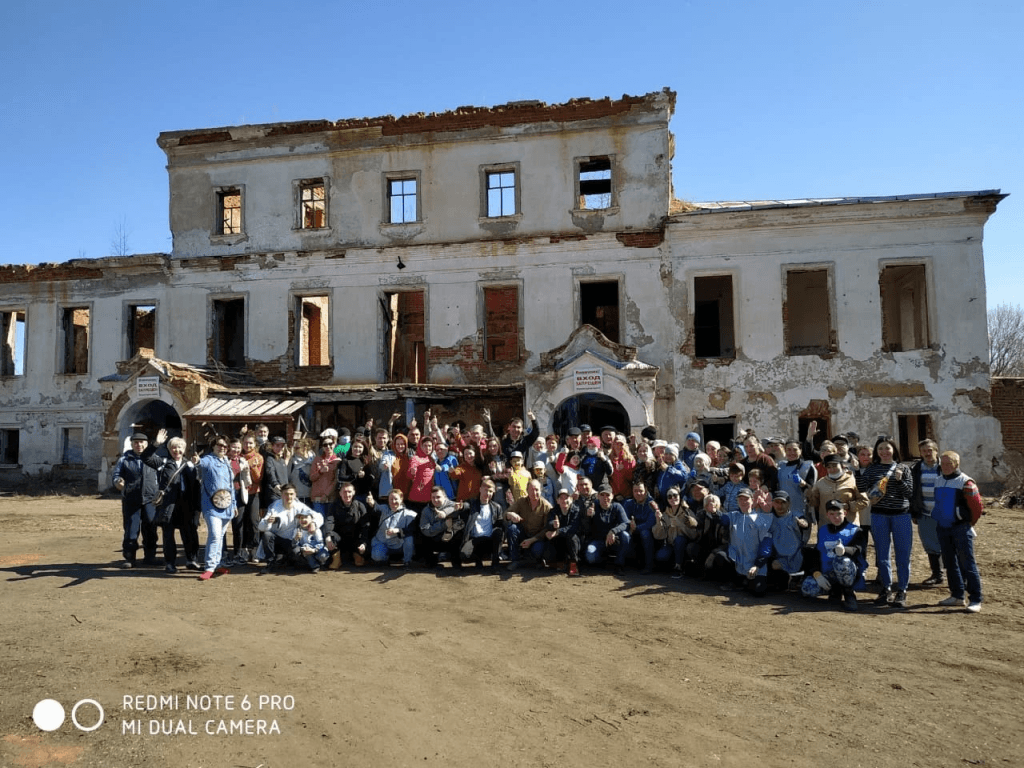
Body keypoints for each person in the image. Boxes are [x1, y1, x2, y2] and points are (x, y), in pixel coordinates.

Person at [856, 437, 914, 608]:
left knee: (903, 554)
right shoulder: (872, 469)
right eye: (880, 448)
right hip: (879, 515)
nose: (884, 452)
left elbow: (909, 492)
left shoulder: (903, 468)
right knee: (882, 555)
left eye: (887, 448)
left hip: (901, 516)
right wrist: (857, 470)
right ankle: (886, 588)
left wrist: (899, 480)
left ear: (893, 450)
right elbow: (862, 490)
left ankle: (902, 589)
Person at [933, 451, 985, 613]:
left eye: (949, 463)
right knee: (950, 563)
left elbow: (977, 508)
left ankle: (975, 599)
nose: (945, 466)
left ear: (956, 464)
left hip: (961, 528)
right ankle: (957, 595)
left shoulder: (966, 482)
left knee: (967, 564)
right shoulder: (938, 480)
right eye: (943, 463)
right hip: (943, 527)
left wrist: (967, 523)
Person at [143, 431, 199, 573]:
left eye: (180, 447)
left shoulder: (190, 465)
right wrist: (156, 444)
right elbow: (145, 457)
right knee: (168, 536)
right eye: (174, 447)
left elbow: (197, 485)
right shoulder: (163, 462)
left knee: (190, 534)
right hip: (168, 505)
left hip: (186, 505)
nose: (177, 450)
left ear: (184, 449)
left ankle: (192, 560)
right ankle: (170, 563)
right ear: (169, 449)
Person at [705, 488, 773, 596]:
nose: (743, 502)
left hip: (754, 564)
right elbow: (722, 519)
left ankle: (751, 581)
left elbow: (766, 546)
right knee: (720, 557)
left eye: (746, 499)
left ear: (752, 500)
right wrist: (714, 511)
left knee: (757, 591)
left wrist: (757, 565)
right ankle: (733, 581)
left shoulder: (762, 519)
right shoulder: (733, 515)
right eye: (740, 499)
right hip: (737, 561)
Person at [806, 499, 869, 612]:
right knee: (807, 587)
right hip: (828, 573)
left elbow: (858, 549)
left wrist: (845, 550)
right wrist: (816, 573)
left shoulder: (855, 530)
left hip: (848, 573)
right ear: (827, 515)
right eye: (831, 514)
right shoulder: (823, 530)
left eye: (839, 513)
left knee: (842, 561)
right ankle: (834, 590)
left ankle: (848, 593)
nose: (835, 517)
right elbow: (817, 552)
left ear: (844, 513)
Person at [112, 431, 161, 569]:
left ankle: (150, 557)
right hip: (131, 500)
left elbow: (163, 475)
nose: (139, 445)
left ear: (146, 444)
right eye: (136, 442)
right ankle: (129, 558)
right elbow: (116, 475)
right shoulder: (125, 459)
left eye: (142, 442)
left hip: (151, 500)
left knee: (151, 529)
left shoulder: (154, 458)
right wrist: (118, 482)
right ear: (132, 444)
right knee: (131, 530)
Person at [196, 436, 237, 580]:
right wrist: (196, 461)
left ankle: (217, 563)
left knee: (220, 536)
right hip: (211, 506)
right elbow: (200, 463)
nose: (222, 448)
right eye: (219, 445)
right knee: (214, 535)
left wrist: (234, 504)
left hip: (227, 506)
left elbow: (231, 487)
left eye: (225, 446)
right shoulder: (208, 460)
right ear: (213, 446)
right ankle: (210, 567)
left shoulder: (227, 462)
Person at [258, 484, 321, 572]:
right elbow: (260, 527)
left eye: (291, 494)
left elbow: (318, 516)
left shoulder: (300, 506)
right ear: (281, 494)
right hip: (278, 541)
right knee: (267, 535)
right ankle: (270, 563)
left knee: (299, 562)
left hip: (293, 542)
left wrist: (314, 523)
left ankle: (287, 559)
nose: (289, 496)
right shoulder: (274, 507)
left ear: (295, 495)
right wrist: (267, 522)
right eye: (286, 494)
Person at [910, 439, 945, 587]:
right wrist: (914, 512)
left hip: (944, 514)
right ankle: (937, 574)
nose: (927, 453)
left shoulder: (945, 466)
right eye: (924, 450)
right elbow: (912, 491)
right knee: (930, 544)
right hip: (924, 513)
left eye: (930, 450)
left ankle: (958, 576)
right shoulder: (916, 469)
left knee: (950, 544)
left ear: (936, 451)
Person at [504, 479, 553, 570]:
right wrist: (510, 515)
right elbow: (505, 514)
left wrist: (531, 540)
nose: (534, 493)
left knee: (538, 549)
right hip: (523, 534)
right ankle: (515, 560)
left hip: (537, 538)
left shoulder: (547, 506)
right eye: (531, 490)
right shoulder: (521, 501)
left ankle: (537, 560)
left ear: (541, 490)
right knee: (512, 528)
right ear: (527, 491)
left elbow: (547, 529)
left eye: (537, 490)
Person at [766, 491, 811, 589]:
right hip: (780, 557)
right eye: (777, 502)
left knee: (811, 554)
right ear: (773, 503)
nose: (780, 506)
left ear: (789, 503)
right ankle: (789, 579)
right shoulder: (769, 518)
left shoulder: (795, 515)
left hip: (797, 555)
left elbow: (805, 522)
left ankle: (800, 577)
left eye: (783, 502)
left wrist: (804, 523)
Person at [582, 484, 631, 574]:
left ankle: (619, 564)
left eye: (607, 495)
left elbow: (625, 523)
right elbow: (585, 528)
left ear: (612, 496)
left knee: (625, 536)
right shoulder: (592, 507)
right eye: (602, 495)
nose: (605, 498)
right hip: (598, 541)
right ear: (598, 496)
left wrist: (613, 531)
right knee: (590, 557)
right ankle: (604, 560)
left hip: (614, 540)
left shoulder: (617, 507)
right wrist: (588, 517)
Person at [458, 478, 505, 569]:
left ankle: (495, 563)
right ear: (480, 489)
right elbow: (465, 506)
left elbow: (500, 525)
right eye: (485, 490)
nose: (487, 493)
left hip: (490, 540)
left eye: (490, 491)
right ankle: (478, 559)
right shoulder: (472, 504)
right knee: (463, 555)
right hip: (475, 540)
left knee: (499, 532)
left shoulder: (497, 507)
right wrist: (461, 506)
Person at [324, 482, 369, 567]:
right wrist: (328, 536)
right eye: (344, 492)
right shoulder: (334, 506)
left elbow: (365, 527)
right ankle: (336, 559)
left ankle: (358, 556)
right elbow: (329, 521)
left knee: (360, 560)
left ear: (353, 492)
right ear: (340, 493)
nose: (347, 494)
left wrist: (364, 543)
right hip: (340, 539)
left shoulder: (360, 506)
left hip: (355, 538)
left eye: (349, 492)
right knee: (329, 536)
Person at [419, 486, 463, 568]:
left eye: (438, 497)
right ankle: (431, 562)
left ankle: (456, 563)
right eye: (433, 497)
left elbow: (462, 506)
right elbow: (425, 530)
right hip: (434, 537)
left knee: (459, 535)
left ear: (445, 497)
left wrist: (445, 513)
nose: (435, 500)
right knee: (422, 537)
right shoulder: (426, 510)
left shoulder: (454, 506)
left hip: (451, 539)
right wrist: (443, 525)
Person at [371, 489, 417, 567]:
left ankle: (407, 561)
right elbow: (375, 506)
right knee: (377, 556)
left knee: (409, 539)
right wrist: (371, 501)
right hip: (383, 542)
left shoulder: (410, 514)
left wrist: (398, 530)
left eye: (396, 499)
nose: (393, 501)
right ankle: (386, 559)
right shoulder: (384, 509)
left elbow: (412, 530)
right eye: (391, 499)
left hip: (400, 544)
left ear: (401, 499)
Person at [542, 487, 582, 575]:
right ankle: (559, 562)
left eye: (566, 498)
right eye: (561, 498)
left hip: (573, 542)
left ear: (571, 499)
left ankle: (573, 564)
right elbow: (549, 523)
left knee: (572, 537)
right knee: (548, 540)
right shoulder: (553, 511)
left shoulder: (576, 510)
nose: (564, 500)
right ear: (557, 500)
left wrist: (558, 531)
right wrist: (553, 524)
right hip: (559, 540)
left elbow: (573, 527)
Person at [623, 480, 660, 574]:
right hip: (633, 533)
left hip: (649, 536)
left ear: (646, 491)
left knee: (645, 533)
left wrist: (636, 528)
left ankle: (649, 565)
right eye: (635, 491)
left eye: (641, 491)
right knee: (623, 534)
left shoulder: (652, 504)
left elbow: (650, 523)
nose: (638, 493)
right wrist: (629, 526)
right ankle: (621, 564)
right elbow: (624, 519)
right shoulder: (628, 503)